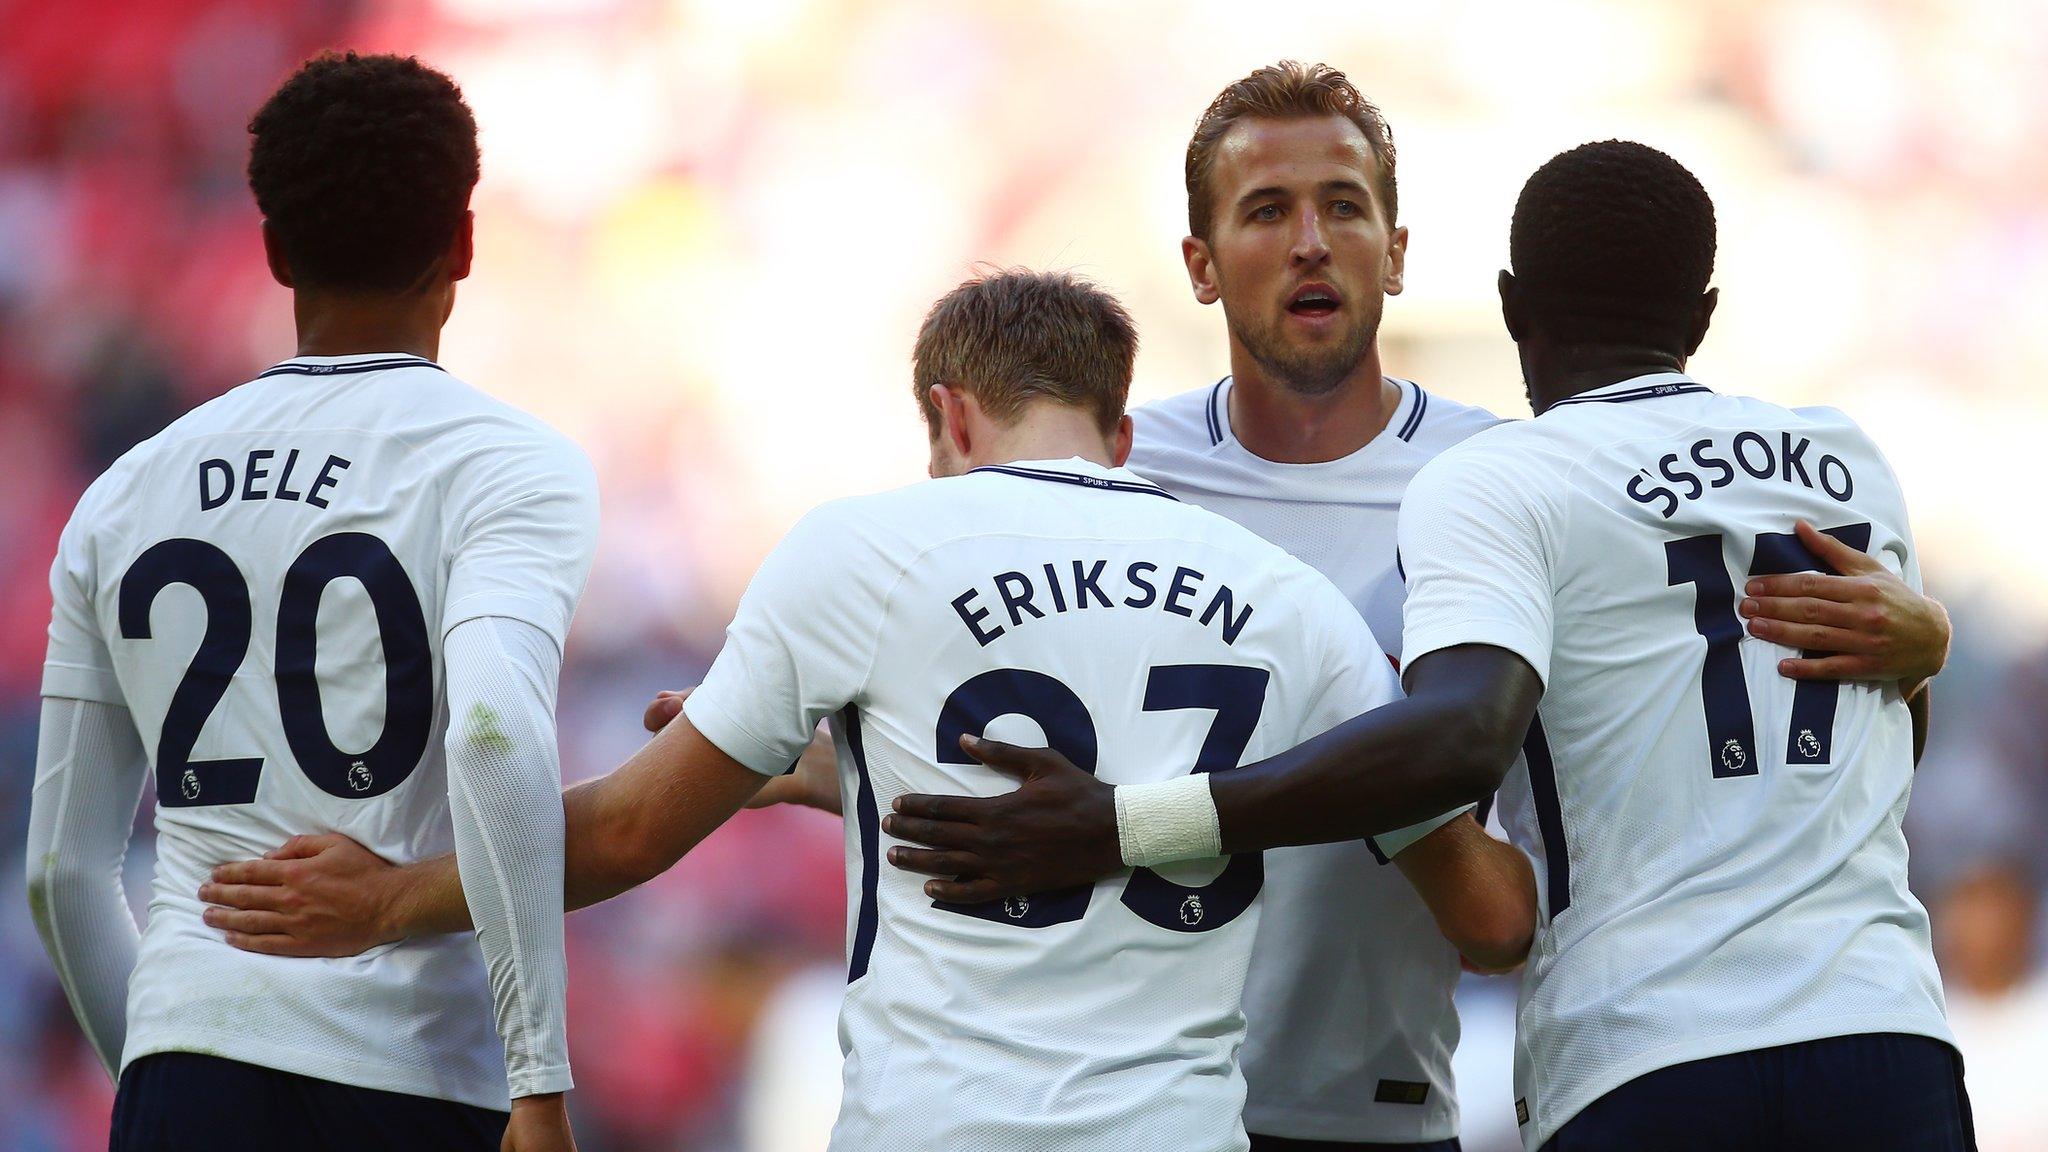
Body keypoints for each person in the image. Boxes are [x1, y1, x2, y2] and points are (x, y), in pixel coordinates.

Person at [739, 60, 1953, 1152]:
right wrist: (849, 758)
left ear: (1399, 250)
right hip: (1129, 1102)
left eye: (1344, 207)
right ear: (1200, 264)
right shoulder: (1104, 474)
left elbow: (1701, 709)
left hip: (1378, 1091)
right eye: (1267, 211)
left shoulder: (1508, 480)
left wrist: (1920, 645)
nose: (1310, 241)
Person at [195, 269, 1539, 1150]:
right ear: (1122, 433)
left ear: (948, 417)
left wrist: (390, 900)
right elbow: (1487, 918)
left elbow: (625, 837)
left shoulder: (863, 550)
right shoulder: (1286, 599)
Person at [24, 52, 594, 1152]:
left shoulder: (124, 492)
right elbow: (490, 728)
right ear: (463, 246)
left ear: (276, 252)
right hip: (411, 1080)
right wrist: (540, 1077)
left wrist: (166, 1061)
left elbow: (60, 870)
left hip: (187, 1075)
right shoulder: (510, 465)